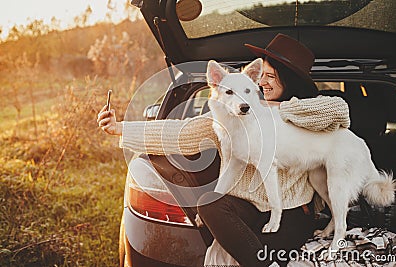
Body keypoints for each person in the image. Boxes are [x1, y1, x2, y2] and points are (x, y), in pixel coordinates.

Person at [97, 34, 350, 267]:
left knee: (259, 247)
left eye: (270, 77)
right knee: (208, 203)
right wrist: (119, 128)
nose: (261, 82)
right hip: (246, 207)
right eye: (261, 75)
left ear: (290, 82)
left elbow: (339, 110)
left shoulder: (302, 112)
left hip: (290, 212)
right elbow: (180, 133)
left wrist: (275, 109)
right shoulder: (228, 115)